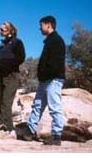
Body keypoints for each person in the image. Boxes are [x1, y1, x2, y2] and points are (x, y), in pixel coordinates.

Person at [17, 15, 65, 145]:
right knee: (37, 105)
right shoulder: (50, 40)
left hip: (53, 80)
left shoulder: (56, 41)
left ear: (48, 24)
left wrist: (45, 75)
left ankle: (56, 136)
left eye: (41, 25)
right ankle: (30, 131)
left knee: (54, 107)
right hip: (45, 80)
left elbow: (55, 64)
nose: (40, 28)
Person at [0, 21, 26, 132]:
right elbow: (0, 60)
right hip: (1, 76)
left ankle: (8, 127)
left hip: (11, 76)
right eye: (0, 29)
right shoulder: (2, 45)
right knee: (1, 100)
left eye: (2, 29)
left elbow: (21, 58)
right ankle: (2, 125)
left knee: (7, 101)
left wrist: (8, 66)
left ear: (10, 31)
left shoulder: (17, 42)